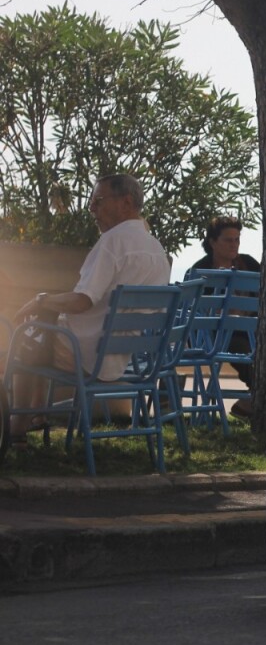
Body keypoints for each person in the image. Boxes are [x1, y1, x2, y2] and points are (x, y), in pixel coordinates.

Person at [7, 173, 171, 444]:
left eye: (98, 201)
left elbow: (83, 300)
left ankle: (16, 428)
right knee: (42, 331)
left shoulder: (112, 242)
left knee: (25, 338)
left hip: (85, 353)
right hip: (119, 358)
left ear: (126, 202)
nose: (90, 208)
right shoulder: (157, 251)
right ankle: (37, 415)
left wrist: (41, 300)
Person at [186, 216, 259, 416]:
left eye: (237, 239)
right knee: (242, 349)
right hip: (210, 337)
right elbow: (192, 314)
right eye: (228, 240)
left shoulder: (249, 264)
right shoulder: (200, 272)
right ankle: (256, 401)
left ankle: (252, 403)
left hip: (249, 332)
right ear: (212, 242)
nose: (234, 245)